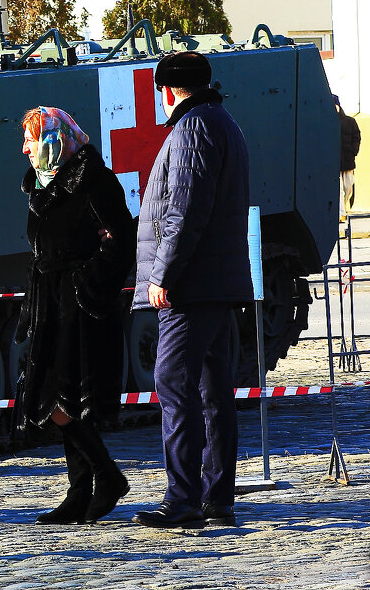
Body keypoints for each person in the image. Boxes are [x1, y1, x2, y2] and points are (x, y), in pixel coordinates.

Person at [131, 51, 252, 530]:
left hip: (192, 286)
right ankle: (217, 495)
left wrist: (164, 275)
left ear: (167, 91)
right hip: (215, 283)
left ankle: (182, 498)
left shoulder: (192, 129)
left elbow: (183, 210)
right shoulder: (222, 122)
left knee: (173, 385)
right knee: (213, 391)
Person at [16, 107, 136, 525]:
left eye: (31, 139)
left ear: (54, 139)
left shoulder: (94, 180)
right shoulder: (41, 184)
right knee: (52, 400)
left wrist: (86, 283)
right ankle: (83, 489)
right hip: (50, 305)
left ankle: (103, 479)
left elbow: (121, 243)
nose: (25, 148)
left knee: (66, 400)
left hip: (81, 307)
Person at [336, 95, 360, 219]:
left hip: (348, 160)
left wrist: (353, 151)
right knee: (339, 189)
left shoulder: (350, 121)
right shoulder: (329, 123)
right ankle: (341, 213)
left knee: (348, 187)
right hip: (335, 162)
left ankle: (344, 206)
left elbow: (357, 137)